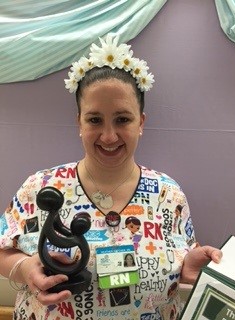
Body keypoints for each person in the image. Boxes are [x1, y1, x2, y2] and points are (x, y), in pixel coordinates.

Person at [0, 33, 222, 320]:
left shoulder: (168, 195)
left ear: (141, 122)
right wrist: (26, 268)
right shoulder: (41, 189)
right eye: (94, 120)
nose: (108, 136)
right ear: (78, 122)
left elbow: (176, 261)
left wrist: (187, 265)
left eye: (122, 119)